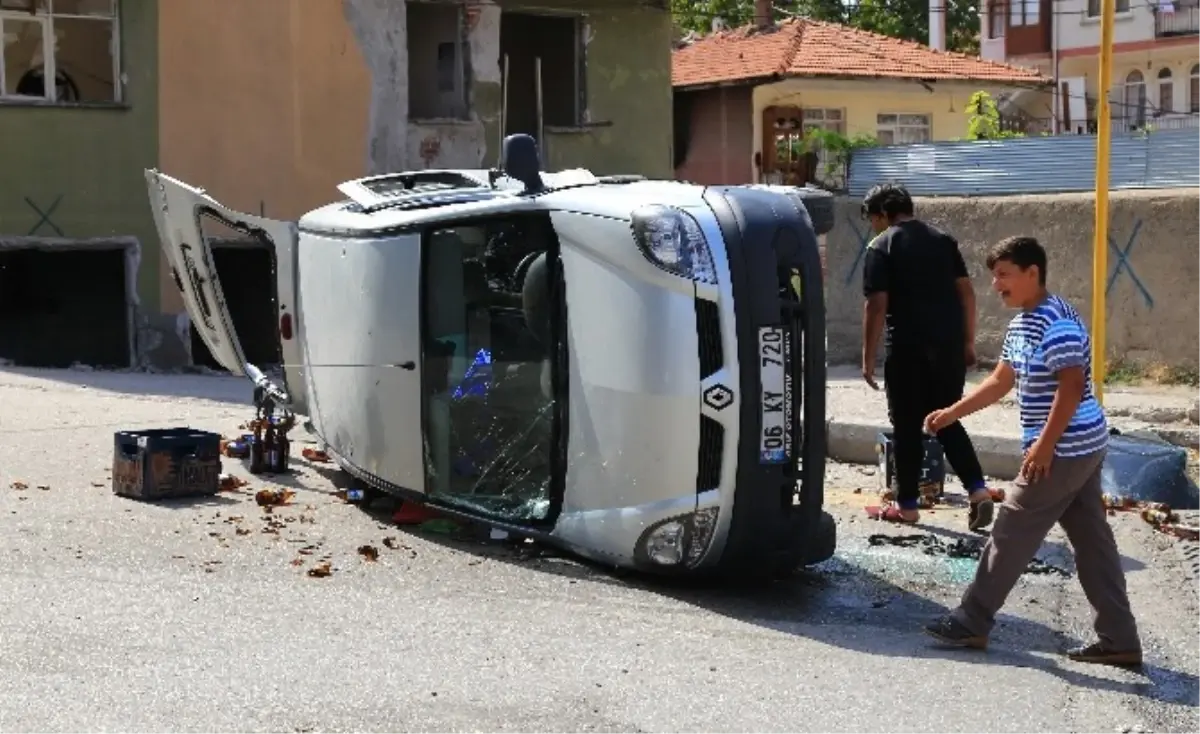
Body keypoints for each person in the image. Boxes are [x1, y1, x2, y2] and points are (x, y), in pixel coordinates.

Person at [922, 236, 1141, 666]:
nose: (996, 285)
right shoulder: (1023, 323)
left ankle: (972, 620)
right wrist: (953, 413)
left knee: (1010, 532)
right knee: (1093, 544)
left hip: (1065, 448)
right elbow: (1001, 381)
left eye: (1004, 275)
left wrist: (1044, 445)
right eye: (994, 276)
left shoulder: (1053, 320)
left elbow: (1072, 386)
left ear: (1031, 273)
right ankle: (1119, 639)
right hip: (1077, 444)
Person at [860, 183, 994, 529]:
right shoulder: (943, 240)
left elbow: (876, 305)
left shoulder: (881, 245)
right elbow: (966, 293)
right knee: (945, 418)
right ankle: (978, 491)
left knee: (906, 427)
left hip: (907, 349)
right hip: (948, 346)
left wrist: (867, 357)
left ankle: (907, 506)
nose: (873, 225)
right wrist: (967, 341)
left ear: (881, 215)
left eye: (872, 218)